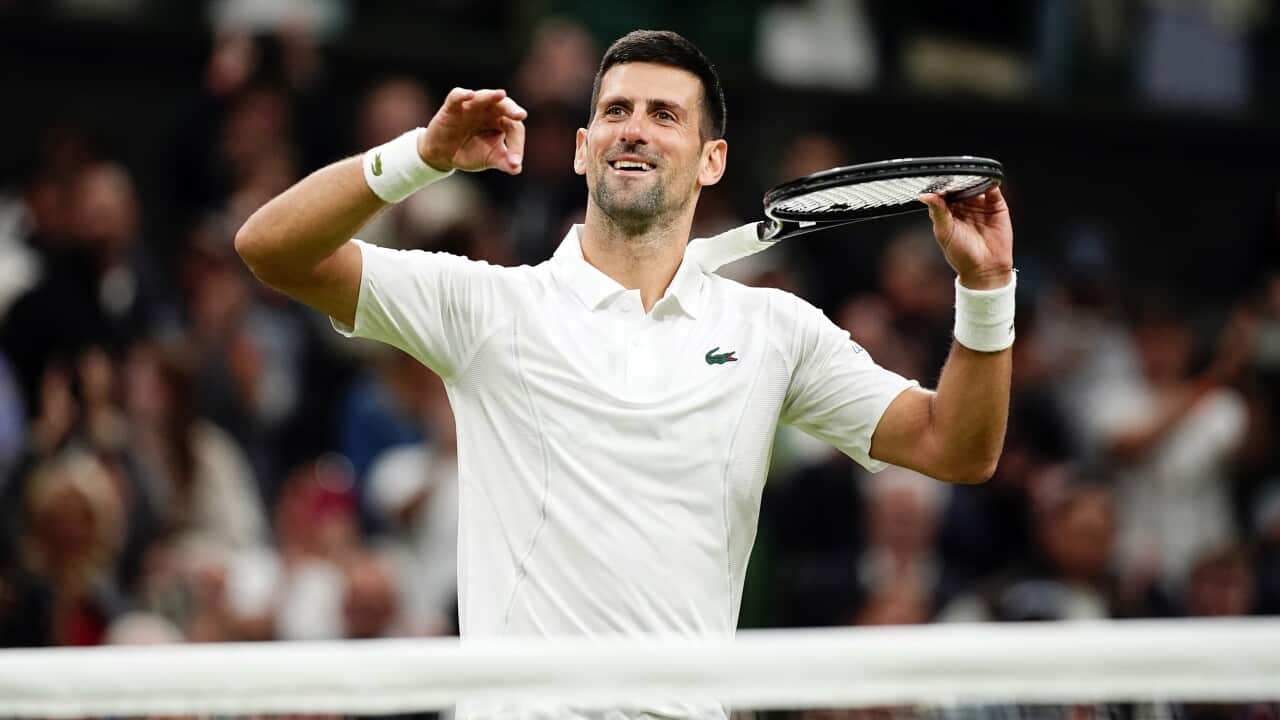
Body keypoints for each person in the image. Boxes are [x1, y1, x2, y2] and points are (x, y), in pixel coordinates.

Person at [235, 29, 1014, 718]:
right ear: (582, 148)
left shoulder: (775, 331)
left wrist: (985, 292)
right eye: (616, 111)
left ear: (713, 161)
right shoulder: (489, 307)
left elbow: (956, 447)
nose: (634, 129)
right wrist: (421, 157)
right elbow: (271, 248)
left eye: (664, 115)